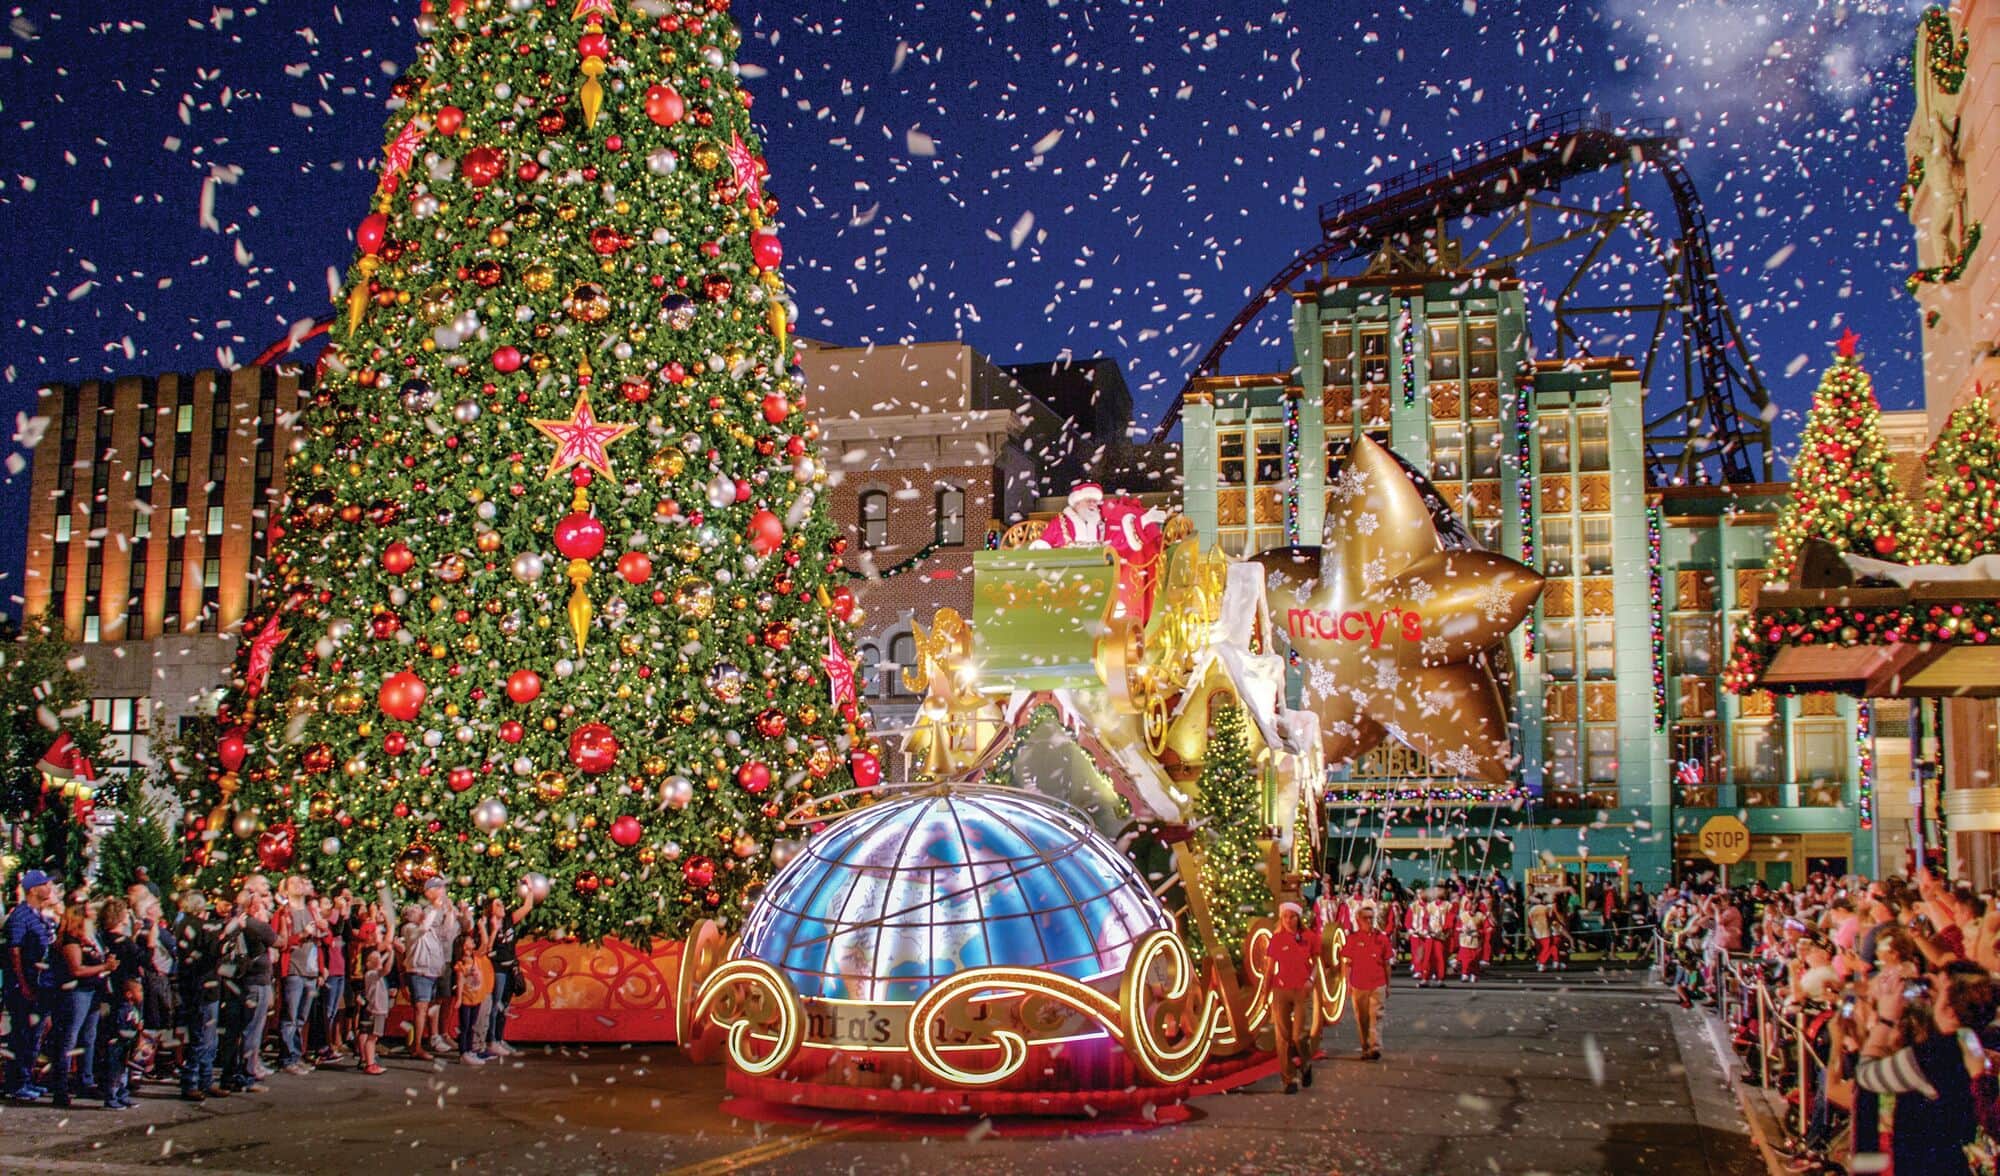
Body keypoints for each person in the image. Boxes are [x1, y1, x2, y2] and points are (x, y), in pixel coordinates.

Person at [1855, 961, 1996, 1175]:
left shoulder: (1936, 1054)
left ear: (1950, 1010)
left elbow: (1866, 1075)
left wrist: (1885, 1021)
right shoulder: (1981, 1044)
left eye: (1939, 993)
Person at [46, 902, 112, 1107]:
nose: (94, 914)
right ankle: (61, 1086)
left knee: (88, 1037)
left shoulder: (91, 937)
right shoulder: (70, 940)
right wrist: (104, 966)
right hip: (76, 992)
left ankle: (85, 1079)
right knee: (69, 1037)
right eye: (90, 911)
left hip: (92, 991)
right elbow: (76, 970)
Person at [4, 868, 58, 1100]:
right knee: (23, 1034)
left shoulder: (39, 915)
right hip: (23, 986)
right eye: (46, 884)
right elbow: (14, 952)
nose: (50, 888)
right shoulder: (21, 916)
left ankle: (26, 1079)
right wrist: (22, 983)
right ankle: (16, 1084)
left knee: (34, 1035)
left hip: (40, 985)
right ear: (34, 889)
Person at [221, 888, 276, 1093]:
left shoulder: (232, 924)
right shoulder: (254, 925)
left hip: (234, 982)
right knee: (251, 1031)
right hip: (254, 982)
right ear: (253, 906)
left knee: (233, 1031)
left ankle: (229, 1076)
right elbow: (278, 940)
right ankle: (246, 1076)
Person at [174, 891, 227, 1102]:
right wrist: (223, 936)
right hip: (202, 985)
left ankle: (204, 1080)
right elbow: (212, 951)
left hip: (197, 984)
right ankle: (192, 1082)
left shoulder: (183, 924)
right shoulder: (196, 925)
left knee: (206, 1035)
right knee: (202, 1036)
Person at [1265, 901, 1322, 1094]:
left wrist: (1310, 980)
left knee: (1299, 1036)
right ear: (1281, 919)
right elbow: (1269, 969)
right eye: (1285, 917)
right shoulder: (1276, 939)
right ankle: (1288, 1079)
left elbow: (1316, 963)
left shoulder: (1310, 937)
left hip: (1301, 990)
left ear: (1299, 918)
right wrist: (1265, 994)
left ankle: (1305, 1065)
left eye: (1292, 916)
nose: (1289, 920)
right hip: (1281, 990)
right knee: (1282, 1037)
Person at [405, 878, 464, 1060]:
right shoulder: (410, 929)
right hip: (420, 973)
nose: (419, 911)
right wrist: (436, 906)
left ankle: (422, 1043)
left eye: (418, 909)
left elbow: (447, 931)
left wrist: (450, 912)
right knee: (421, 1008)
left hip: (431, 972)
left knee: (427, 1007)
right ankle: (416, 1047)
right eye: (414, 911)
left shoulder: (430, 930)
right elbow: (424, 927)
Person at [274, 875, 324, 1075]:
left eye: (302, 882)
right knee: (290, 1017)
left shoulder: (311, 911)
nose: (300, 885)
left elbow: (320, 942)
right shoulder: (284, 913)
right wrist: (302, 935)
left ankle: (296, 1054)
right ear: (285, 890)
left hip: (310, 970)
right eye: (294, 883)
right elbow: (280, 941)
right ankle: (287, 1058)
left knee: (302, 1018)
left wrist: (321, 968)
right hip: (294, 968)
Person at [481, 887, 535, 1057]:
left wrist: (530, 889)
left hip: (510, 967)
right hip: (496, 969)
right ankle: (491, 1041)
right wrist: (494, 929)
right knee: (495, 1005)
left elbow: (527, 907)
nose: (502, 906)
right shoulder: (488, 925)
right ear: (490, 909)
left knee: (504, 1006)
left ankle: (499, 1037)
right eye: (498, 905)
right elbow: (486, 948)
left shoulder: (509, 920)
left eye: (502, 903)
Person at [1341, 904, 1394, 1060]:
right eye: (1366, 918)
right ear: (1358, 920)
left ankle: (1375, 1046)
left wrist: (1388, 985)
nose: (1369, 921)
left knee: (1376, 1016)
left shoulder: (1381, 938)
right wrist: (1347, 983)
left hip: (1378, 983)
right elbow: (1347, 963)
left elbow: (1387, 963)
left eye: (1372, 918)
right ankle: (1365, 1046)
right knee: (1362, 1018)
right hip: (1359, 984)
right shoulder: (1352, 939)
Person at [101, 974, 144, 1110]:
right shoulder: (122, 1010)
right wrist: (134, 1029)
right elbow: (119, 1029)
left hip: (127, 1045)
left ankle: (122, 1095)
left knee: (124, 1073)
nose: (142, 994)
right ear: (129, 994)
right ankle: (111, 1098)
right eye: (140, 991)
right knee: (115, 1073)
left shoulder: (134, 1009)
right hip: (117, 1046)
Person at [358, 938, 390, 1076]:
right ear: (368, 963)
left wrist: (388, 953)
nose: (378, 960)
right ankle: (369, 1063)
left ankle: (369, 1061)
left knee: (373, 1037)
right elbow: (386, 969)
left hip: (379, 1009)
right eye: (374, 959)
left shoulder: (375, 974)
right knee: (372, 1037)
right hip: (376, 1010)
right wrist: (391, 952)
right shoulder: (371, 974)